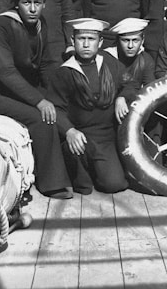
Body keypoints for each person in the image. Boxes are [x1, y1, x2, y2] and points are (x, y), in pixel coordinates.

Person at [0, 0, 72, 199]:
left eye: (37, 3)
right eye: (26, 3)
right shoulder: (0, 26)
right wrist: (40, 101)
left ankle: (74, 172)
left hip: (22, 89)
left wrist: (55, 92)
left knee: (61, 108)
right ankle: (50, 183)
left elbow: (46, 64)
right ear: (16, 5)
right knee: (41, 118)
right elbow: (6, 73)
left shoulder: (41, 25)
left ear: (44, 4)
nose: (32, 9)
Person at [48, 18, 138, 195]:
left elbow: (130, 85)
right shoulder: (64, 72)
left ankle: (100, 168)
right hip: (81, 135)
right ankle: (80, 170)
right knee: (83, 186)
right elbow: (55, 108)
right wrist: (69, 131)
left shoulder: (111, 64)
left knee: (114, 184)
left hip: (107, 137)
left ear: (101, 42)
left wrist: (121, 97)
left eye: (92, 39)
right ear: (73, 42)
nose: (86, 44)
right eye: (82, 39)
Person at [104, 17, 155, 94]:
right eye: (126, 40)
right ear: (117, 40)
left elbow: (150, 91)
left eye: (135, 40)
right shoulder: (106, 58)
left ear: (143, 40)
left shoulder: (145, 60)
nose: (130, 46)